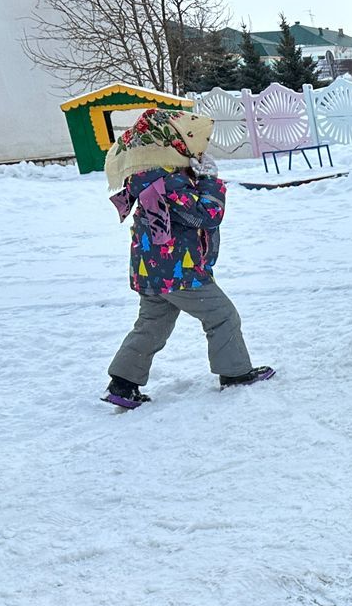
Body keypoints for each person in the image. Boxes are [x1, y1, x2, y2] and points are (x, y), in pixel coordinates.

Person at [102, 108, 274, 408]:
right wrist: (209, 180)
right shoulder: (167, 181)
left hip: (151, 270)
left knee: (151, 325)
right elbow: (205, 215)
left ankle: (122, 384)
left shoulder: (146, 175)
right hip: (179, 270)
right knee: (222, 316)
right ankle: (234, 373)